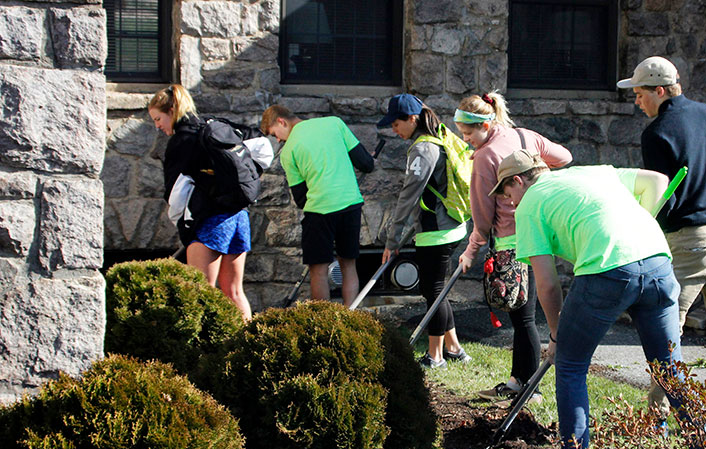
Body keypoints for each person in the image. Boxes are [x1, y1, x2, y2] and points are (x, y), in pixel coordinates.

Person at [492, 150, 684, 449]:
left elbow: (547, 285)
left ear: (518, 181)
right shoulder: (592, 172)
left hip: (606, 269)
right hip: (656, 259)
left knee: (570, 365)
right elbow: (657, 181)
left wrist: (556, 336)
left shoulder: (530, 205)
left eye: (507, 194)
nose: (509, 203)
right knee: (671, 372)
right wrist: (638, 225)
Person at [617, 56, 706, 421]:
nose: (637, 102)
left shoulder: (657, 132)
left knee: (667, 329)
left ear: (660, 91)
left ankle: (658, 415)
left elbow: (661, 196)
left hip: (690, 241)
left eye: (640, 94)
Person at [454, 92, 572, 399]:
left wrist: (471, 250)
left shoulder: (485, 157)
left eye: (468, 133)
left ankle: (529, 387)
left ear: (485, 124)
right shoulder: (523, 135)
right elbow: (565, 157)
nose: (466, 140)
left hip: (510, 242)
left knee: (524, 318)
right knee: (525, 317)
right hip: (540, 231)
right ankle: (519, 381)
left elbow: (482, 218)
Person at [378, 94, 471, 368]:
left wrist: (392, 239)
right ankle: (454, 349)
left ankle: (435, 356)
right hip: (451, 226)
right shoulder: (439, 137)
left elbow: (409, 195)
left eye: (396, 124)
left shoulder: (423, 148)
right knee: (437, 289)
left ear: (412, 119)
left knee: (433, 292)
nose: (394, 130)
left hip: (437, 231)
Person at [148, 84, 255, 320]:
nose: (157, 126)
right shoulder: (213, 125)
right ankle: (250, 340)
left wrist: (186, 229)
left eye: (158, 119)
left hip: (210, 221)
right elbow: (254, 141)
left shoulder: (182, 140)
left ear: (172, 111)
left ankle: (203, 344)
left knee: (200, 293)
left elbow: (175, 193)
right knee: (234, 291)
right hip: (239, 216)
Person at [261, 105, 375, 307]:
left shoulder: (288, 152)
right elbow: (366, 163)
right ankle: (351, 318)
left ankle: (323, 320)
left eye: (274, 134)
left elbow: (300, 198)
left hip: (319, 211)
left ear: (281, 121)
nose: (277, 140)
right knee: (349, 265)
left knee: (318, 270)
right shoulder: (334, 123)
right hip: (350, 204)